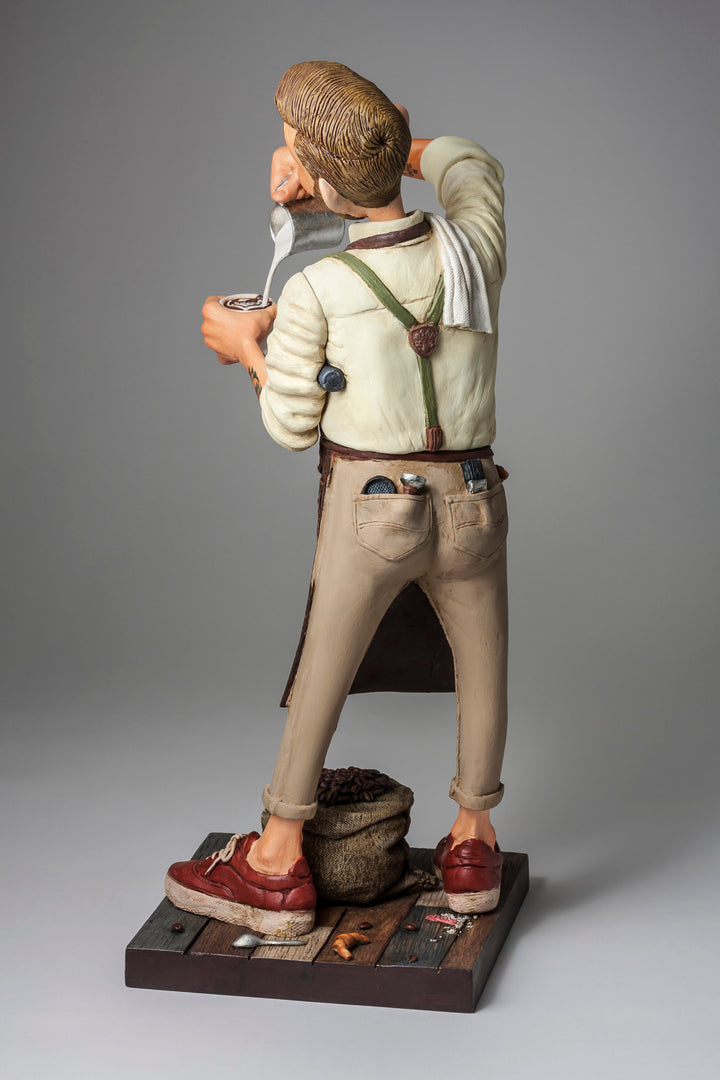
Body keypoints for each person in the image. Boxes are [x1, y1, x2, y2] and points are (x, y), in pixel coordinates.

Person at [165, 62, 509, 938]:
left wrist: (246, 345)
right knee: (484, 663)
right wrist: (389, 142)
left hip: (373, 505)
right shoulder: (474, 245)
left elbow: (290, 424)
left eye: (296, 154)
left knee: (325, 667)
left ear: (320, 184)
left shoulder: (316, 287)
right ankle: (473, 843)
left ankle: (276, 860)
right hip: (474, 498)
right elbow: (473, 162)